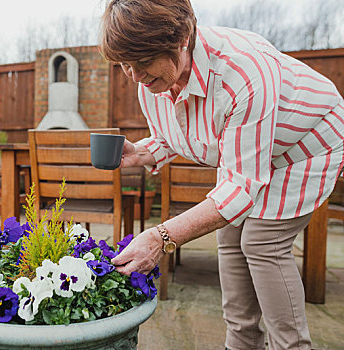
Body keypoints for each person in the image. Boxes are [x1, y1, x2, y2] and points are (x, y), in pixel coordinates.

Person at [99, 1, 344, 349]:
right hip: (254, 154)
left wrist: (160, 237)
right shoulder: (151, 83)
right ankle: (241, 341)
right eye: (124, 65)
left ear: (182, 37)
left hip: (306, 144)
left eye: (142, 62)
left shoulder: (241, 72)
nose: (135, 76)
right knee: (229, 237)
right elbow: (188, 133)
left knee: (260, 242)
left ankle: (291, 346)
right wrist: (142, 153)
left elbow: (241, 188)